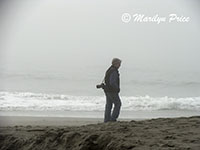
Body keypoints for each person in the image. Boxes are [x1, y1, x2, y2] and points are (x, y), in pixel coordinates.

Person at [103, 58, 122, 122]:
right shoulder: (114, 71)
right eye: (119, 64)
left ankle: (106, 119)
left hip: (107, 90)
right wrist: (117, 88)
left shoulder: (109, 70)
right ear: (115, 64)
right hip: (112, 91)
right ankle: (113, 119)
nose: (120, 65)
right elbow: (112, 82)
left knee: (109, 105)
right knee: (118, 104)